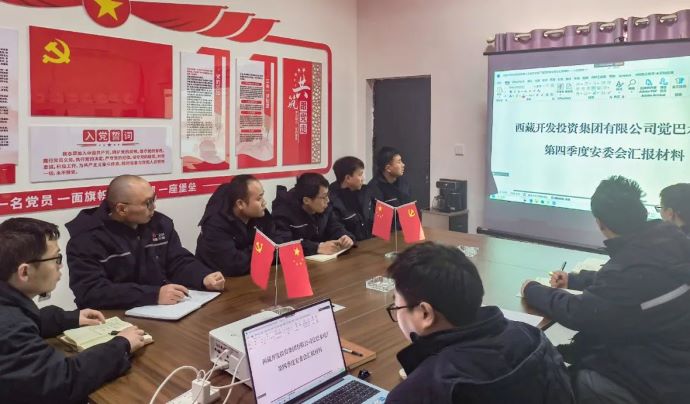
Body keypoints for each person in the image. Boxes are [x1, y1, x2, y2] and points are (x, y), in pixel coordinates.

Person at [523, 176, 690, 404]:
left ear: (600, 223)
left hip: (654, 377)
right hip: (673, 356)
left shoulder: (630, 266)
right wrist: (574, 280)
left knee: (550, 379)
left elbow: (578, 313)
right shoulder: (667, 239)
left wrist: (532, 289)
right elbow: (639, 279)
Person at [385, 242, 574, 404]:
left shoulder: (414, 394)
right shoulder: (534, 338)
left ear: (425, 313)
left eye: (397, 306)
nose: (396, 312)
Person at [0, 218, 149, 404]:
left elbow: (25, 318)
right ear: (24, 272)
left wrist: (70, 318)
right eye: (56, 258)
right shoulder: (9, 328)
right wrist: (121, 345)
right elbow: (63, 381)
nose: (60, 266)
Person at [66, 175, 225, 310]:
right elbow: (91, 291)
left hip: (160, 310)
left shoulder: (160, 224)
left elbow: (177, 260)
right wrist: (153, 295)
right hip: (111, 315)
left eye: (153, 199)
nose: (153, 207)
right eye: (147, 203)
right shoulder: (86, 238)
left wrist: (203, 277)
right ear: (121, 209)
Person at [196, 175, 274, 276]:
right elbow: (234, 265)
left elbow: (275, 245)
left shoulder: (259, 213)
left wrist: (261, 252)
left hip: (252, 276)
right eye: (259, 199)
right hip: (218, 280)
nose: (264, 202)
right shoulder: (215, 225)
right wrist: (261, 251)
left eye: (262, 196)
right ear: (240, 204)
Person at [272, 172, 354, 256]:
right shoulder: (283, 212)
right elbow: (283, 245)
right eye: (324, 197)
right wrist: (317, 247)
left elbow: (335, 226)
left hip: (323, 259)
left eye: (328, 195)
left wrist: (345, 237)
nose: (328, 200)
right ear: (306, 200)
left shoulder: (324, 207)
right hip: (298, 261)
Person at [329, 156, 374, 241]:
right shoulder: (333, 201)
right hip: (351, 246)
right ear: (348, 178)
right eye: (360, 174)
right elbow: (336, 229)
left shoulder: (366, 191)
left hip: (372, 242)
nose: (363, 178)